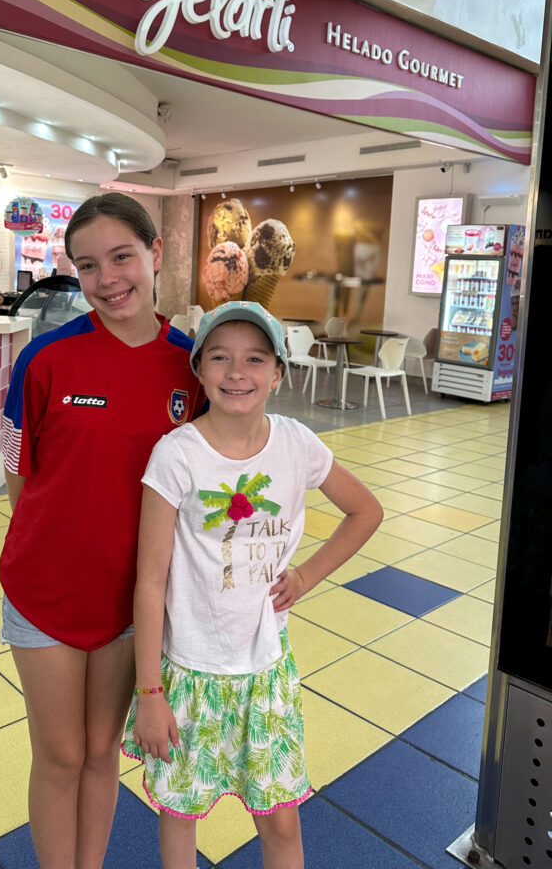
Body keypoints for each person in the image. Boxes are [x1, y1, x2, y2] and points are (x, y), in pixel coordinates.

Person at [122, 301, 383, 869]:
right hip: (188, 673)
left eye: (254, 359)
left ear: (278, 372)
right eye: (219, 357)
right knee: (180, 818)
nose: (236, 372)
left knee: (282, 822)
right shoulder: (177, 455)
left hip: (266, 672)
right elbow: (150, 580)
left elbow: (365, 511)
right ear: (198, 370)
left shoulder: (297, 445)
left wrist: (307, 575)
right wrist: (149, 694)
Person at [0, 192, 205, 869]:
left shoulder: (190, 365)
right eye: (87, 266)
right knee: (58, 754)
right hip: (46, 590)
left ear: (157, 253)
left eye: (122, 256)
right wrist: (55, 538)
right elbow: (14, 465)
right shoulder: (46, 359)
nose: (107, 278)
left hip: (132, 600)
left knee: (100, 752)